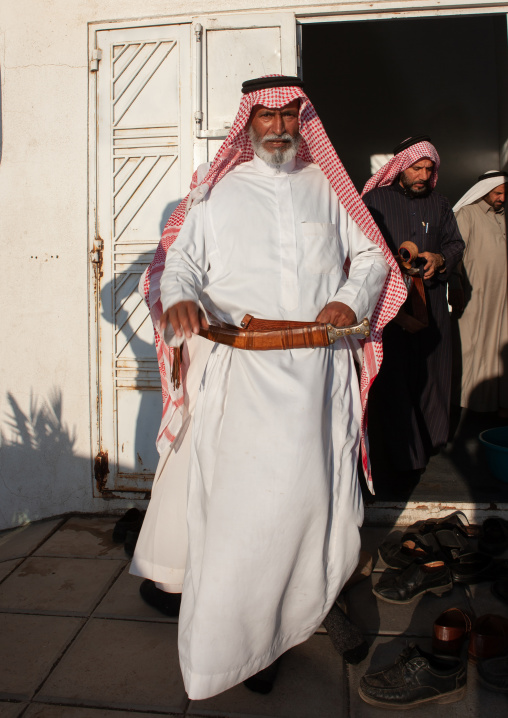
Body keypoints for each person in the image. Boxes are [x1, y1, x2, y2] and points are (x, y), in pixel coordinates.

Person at [132, 75, 406, 700]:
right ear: (247, 123)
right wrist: (177, 299)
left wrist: (347, 297)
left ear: (303, 119)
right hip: (245, 377)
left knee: (312, 505)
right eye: (266, 118)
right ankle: (246, 644)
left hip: (318, 375)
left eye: (288, 117)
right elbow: (183, 265)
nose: (278, 128)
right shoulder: (220, 191)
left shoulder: (328, 189)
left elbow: (371, 259)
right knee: (245, 517)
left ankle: (300, 612)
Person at [362, 136, 465, 486]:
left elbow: (454, 243)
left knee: (432, 373)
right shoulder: (375, 201)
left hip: (432, 303)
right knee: (393, 376)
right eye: (416, 168)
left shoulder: (439, 204)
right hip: (389, 305)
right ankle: (401, 455)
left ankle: (431, 441)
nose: (422, 175)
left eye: (428, 169)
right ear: (399, 168)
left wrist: (440, 259)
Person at [451, 170, 508, 414]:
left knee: (498, 347)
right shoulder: (467, 214)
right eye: (497, 193)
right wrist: (456, 286)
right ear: (485, 191)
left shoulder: (503, 217)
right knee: (472, 346)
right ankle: (468, 405)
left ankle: (495, 403)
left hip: (502, 296)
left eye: (505, 193)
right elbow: (455, 256)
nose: (502, 198)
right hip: (476, 294)